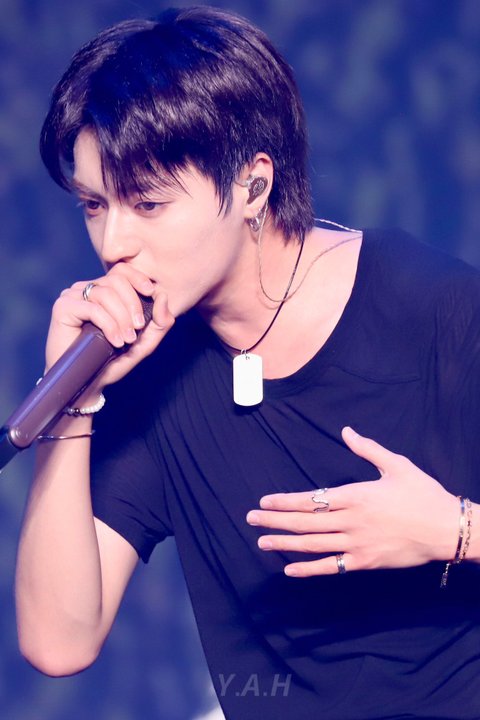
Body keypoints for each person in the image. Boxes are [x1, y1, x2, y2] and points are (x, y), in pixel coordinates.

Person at [15, 6, 480, 720]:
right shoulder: (146, 369)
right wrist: (73, 399)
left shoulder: (433, 308)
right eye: (94, 206)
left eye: (148, 204)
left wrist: (454, 530)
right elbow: (59, 642)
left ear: (253, 186)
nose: (113, 244)